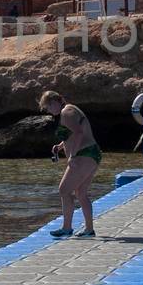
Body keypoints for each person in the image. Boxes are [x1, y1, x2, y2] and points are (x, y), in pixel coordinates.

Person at [39, 89, 101, 238]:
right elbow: (74, 133)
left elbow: (79, 133)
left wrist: (72, 155)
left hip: (84, 154)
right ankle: (89, 230)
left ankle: (67, 228)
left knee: (63, 190)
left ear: (54, 102)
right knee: (81, 193)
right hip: (92, 154)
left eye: (48, 107)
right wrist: (61, 146)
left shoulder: (66, 112)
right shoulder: (70, 109)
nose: (48, 111)